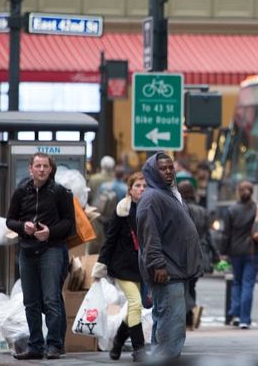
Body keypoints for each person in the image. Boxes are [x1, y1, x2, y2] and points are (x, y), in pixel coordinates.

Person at [6, 152, 74, 360]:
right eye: (38, 166)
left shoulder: (60, 192)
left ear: (51, 169)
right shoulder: (21, 192)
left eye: (45, 166)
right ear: (30, 169)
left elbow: (70, 224)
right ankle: (35, 345)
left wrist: (50, 232)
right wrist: (22, 227)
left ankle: (54, 344)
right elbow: (10, 220)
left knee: (51, 298)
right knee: (31, 301)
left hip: (51, 250)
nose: (42, 170)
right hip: (27, 251)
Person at [136, 153, 203, 361]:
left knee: (165, 321)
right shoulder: (152, 198)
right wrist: (158, 265)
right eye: (162, 169)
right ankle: (166, 360)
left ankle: (160, 360)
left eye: (170, 168)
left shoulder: (168, 193)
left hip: (175, 270)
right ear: (152, 172)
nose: (167, 172)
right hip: (167, 271)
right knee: (171, 326)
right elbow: (150, 236)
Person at [92, 172, 147, 362]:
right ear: (130, 190)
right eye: (137, 186)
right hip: (122, 266)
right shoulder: (122, 209)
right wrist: (100, 266)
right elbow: (110, 239)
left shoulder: (148, 209)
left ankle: (117, 342)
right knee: (136, 304)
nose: (141, 189)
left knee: (134, 307)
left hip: (140, 267)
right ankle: (139, 348)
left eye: (144, 186)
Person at [220, 181, 258, 329]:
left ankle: (236, 315)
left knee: (236, 282)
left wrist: (223, 252)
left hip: (235, 251)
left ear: (239, 192)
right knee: (248, 284)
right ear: (251, 192)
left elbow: (226, 234)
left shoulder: (231, 210)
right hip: (254, 252)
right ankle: (245, 319)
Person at [178, 180, 218, 330]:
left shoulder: (180, 209)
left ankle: (188, 311)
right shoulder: (203, 211)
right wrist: (215, 255)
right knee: (191, 284)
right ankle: (190, 316)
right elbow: (208, 236)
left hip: (183, 252)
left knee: (183, 285)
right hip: (200, 253)